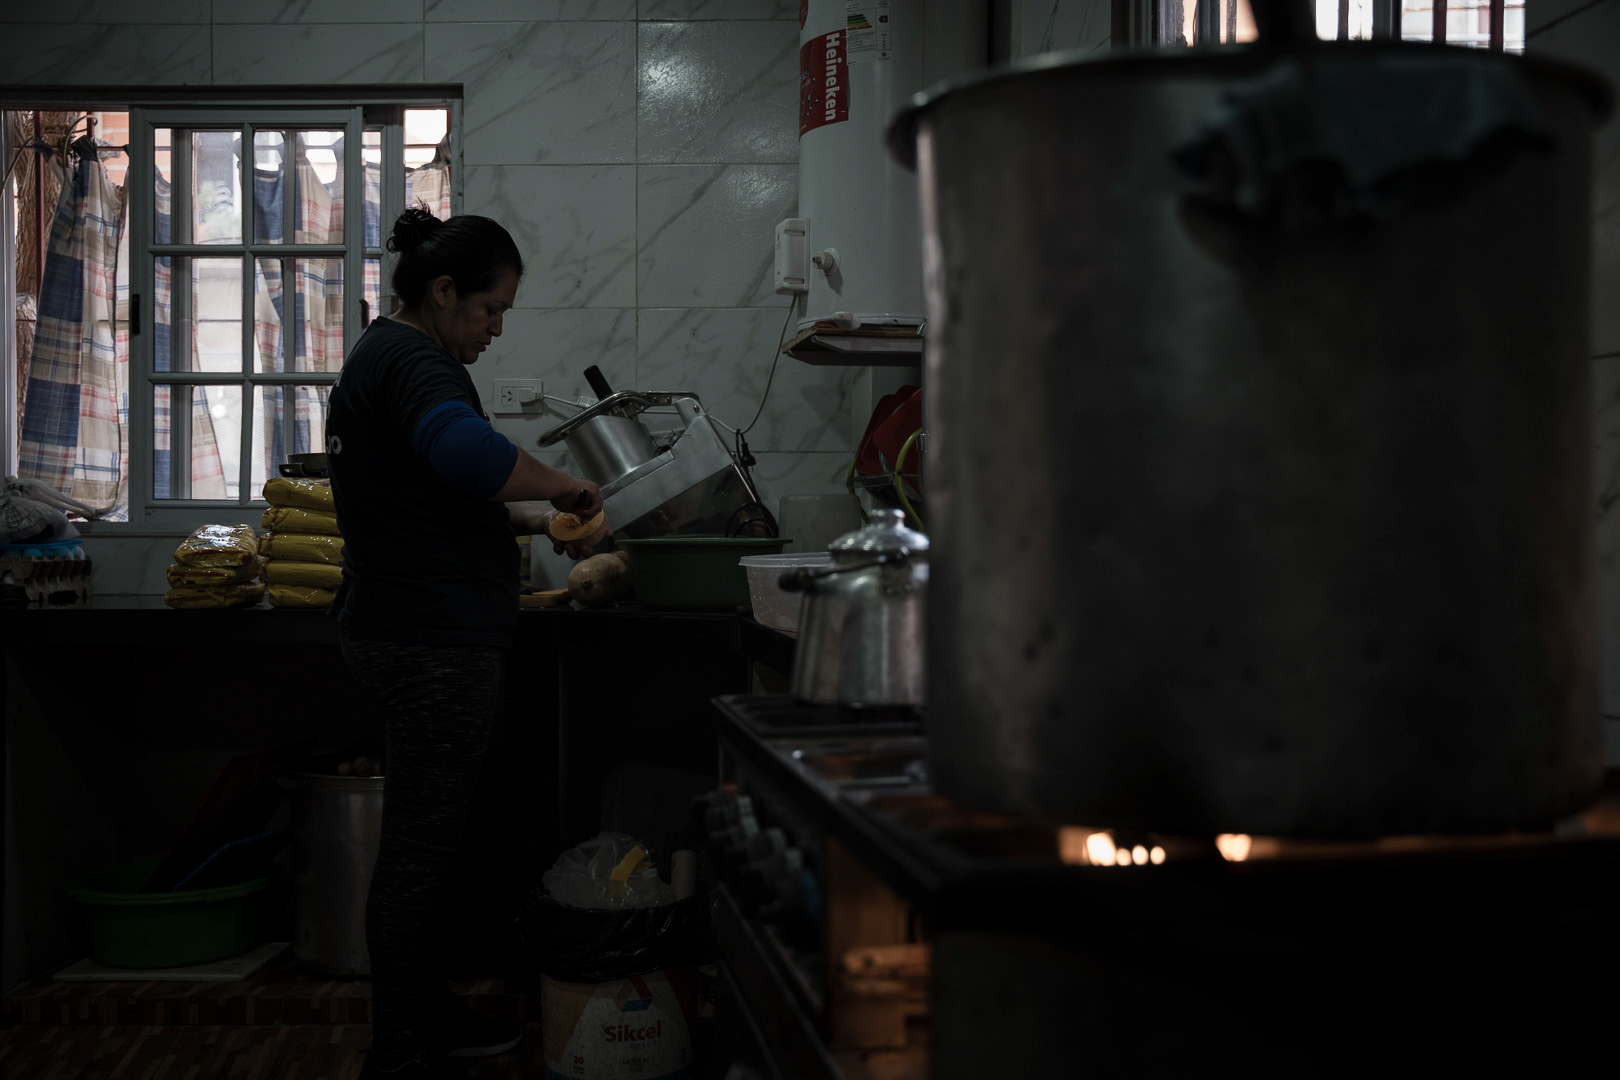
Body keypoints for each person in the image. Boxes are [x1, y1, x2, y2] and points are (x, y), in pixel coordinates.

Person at [326, 208, 606, 1079]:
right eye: (490, 310)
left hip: (409, 628)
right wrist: (568, 482)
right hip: (429, 641)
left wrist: (536, 515)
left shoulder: (391, 355)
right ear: (442, 292)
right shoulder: (414, 360)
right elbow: (464, 456)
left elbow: (447, 493)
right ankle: (402, 1048)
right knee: (419, 850)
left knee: (430, 844)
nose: (494, 328)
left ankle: (421, 1014)